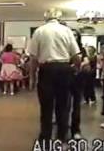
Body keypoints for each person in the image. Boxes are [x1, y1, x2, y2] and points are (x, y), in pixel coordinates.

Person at [28, 8, 81, 146]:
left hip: (46, 70)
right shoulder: (67, 31)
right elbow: (77, 56)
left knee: (46, 107)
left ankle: (45, 139)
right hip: (64, 70)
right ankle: (61, 138)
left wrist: (32, 78)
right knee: (63, 106)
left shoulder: (39, 31)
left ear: (45, 17)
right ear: (59, 17)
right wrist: (75, 69)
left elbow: (33, 58)